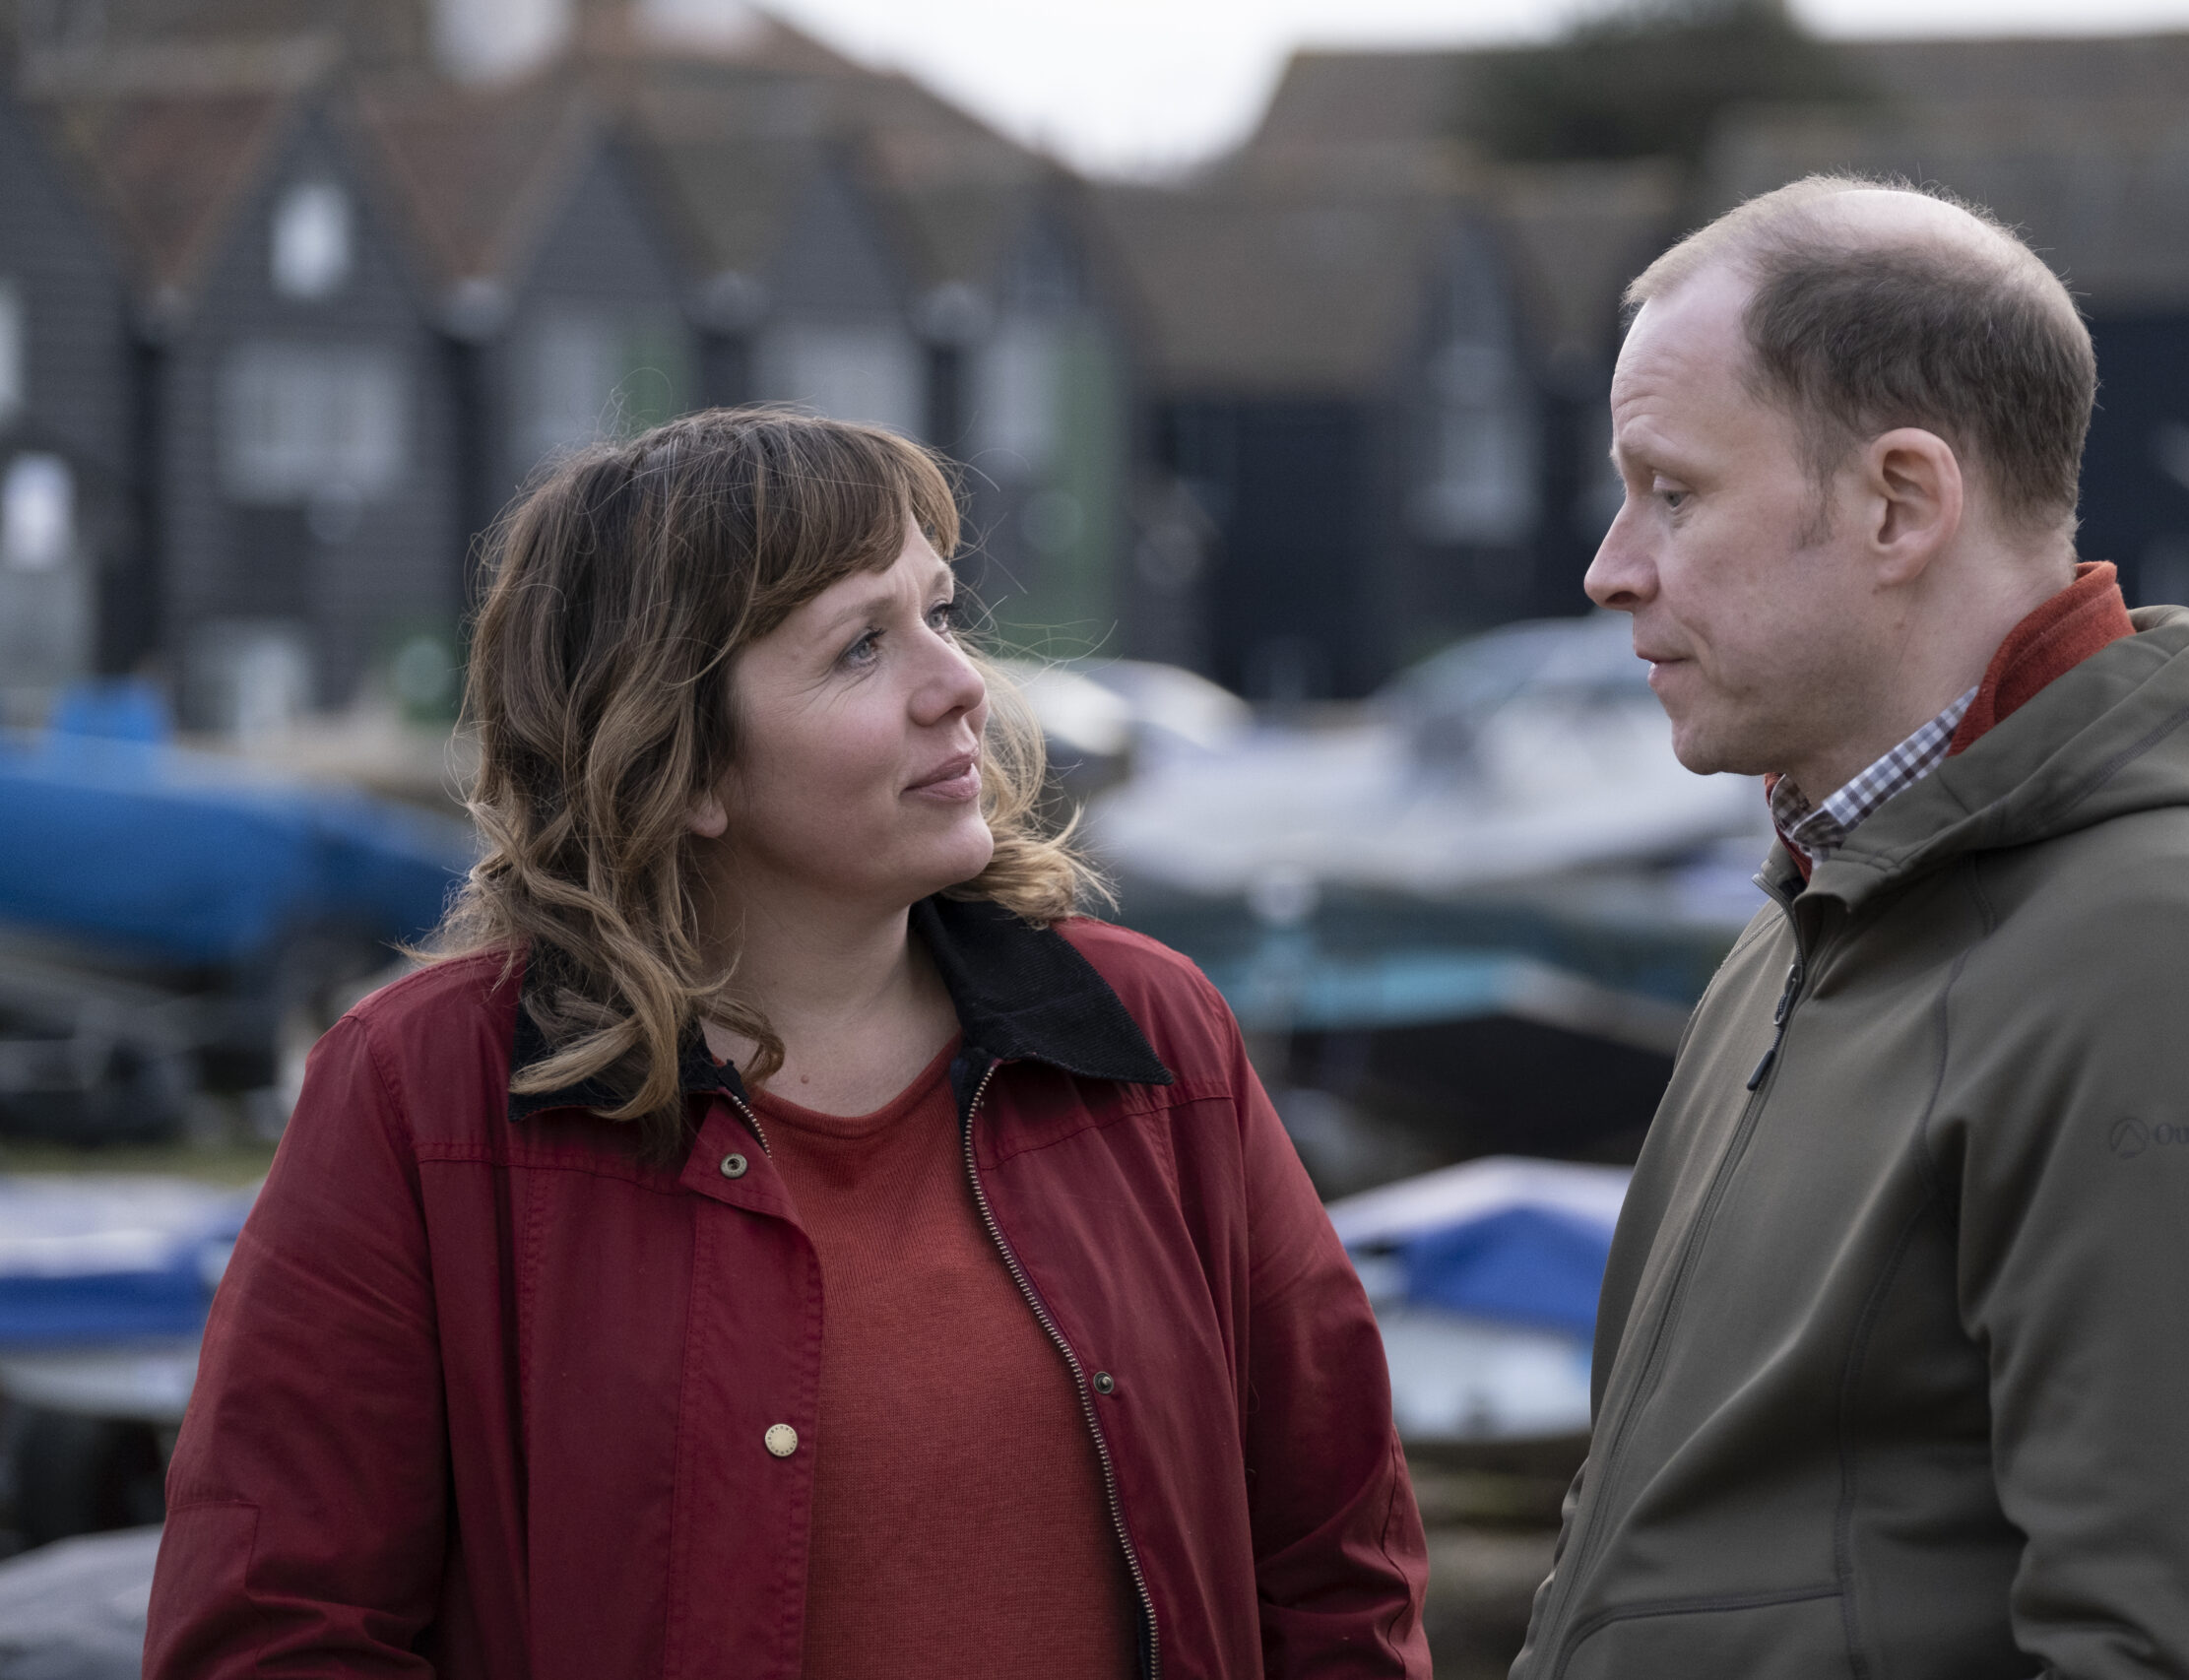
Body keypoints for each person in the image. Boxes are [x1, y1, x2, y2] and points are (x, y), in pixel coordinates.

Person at [144, 411, 1431, 1680]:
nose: (961, 682)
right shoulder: (426, 1096)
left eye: (941, 609)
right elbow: (272, 1632)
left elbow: (1338, 1563)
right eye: (863, 646)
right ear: (677, 759)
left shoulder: (1156, 1041)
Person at [1513, 177, 2189, 1680]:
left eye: (1672, 492)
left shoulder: (2179, 967)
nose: (1615, 565)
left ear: (1899, 503)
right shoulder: (1810, 923)